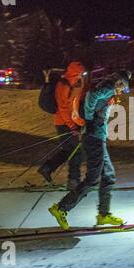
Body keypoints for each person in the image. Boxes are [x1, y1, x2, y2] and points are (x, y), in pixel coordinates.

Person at [49, 70, 132, 230]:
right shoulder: (109, 87)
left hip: (96, 137)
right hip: (94, 138)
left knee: (108, 176)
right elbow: (91, 96)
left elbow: (95, 101)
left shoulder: (108, 89)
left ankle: (103, 215)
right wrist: (88, 119)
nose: (122, 91)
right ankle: (61, 208)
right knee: (93, 179)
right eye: (123, 88)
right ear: (120, 82)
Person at [37, 61, 87, 191]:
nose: (82, 76)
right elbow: (63, 108)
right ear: (75, 73)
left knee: (68, 150)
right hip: (64, 123)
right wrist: (72, 127)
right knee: (77, 152)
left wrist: (79, 122)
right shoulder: (63, 85)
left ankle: (47, 168)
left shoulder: (73, 84)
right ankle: (73, 180)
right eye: (81, 74)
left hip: (69, 123)